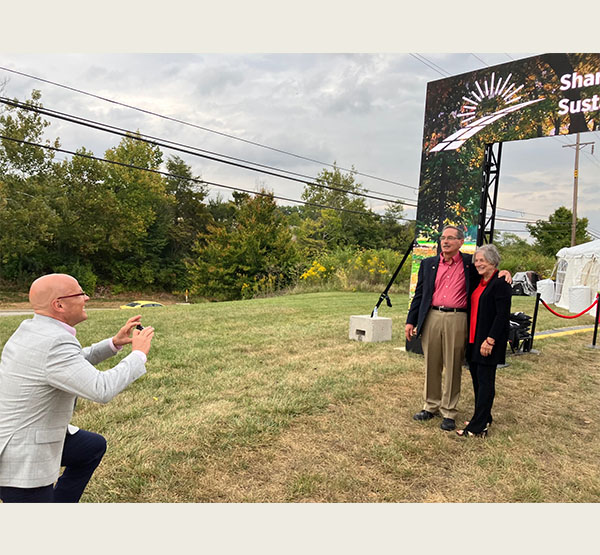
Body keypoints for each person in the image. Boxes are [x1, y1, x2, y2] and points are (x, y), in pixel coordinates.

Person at [0, 273, 155, 503]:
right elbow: (101, 389)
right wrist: (138, 355)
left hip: (19, 436)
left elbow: (71, 363)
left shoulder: (33, 329)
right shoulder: (54, 341)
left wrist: (113, 344)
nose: (87, 297)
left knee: (91, 447)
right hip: (22, 459)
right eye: (80, 293)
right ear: (59, 304)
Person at [405, 226, 510, 432]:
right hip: (432, 316)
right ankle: (430, 406)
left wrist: (505, 272)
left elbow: (489, 270)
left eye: (451, 238)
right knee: (431, 363)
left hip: (458, 318)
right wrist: (411, 321)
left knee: (453, 365)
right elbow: (419, 295)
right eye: (443, 238)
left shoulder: (470, 264)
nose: (445, 241)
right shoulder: (428, 264)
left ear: (461, 242)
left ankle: (449, 411)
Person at [457, 244, 511, 438]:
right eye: (476, 260)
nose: (478, 264)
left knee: (485, 382)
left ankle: (478, 427)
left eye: (482, 260)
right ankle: (483, 417)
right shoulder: (478, 281)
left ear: (493, 261)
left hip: (488, 341)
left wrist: (490, 340)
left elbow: (502, 315)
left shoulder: (501, 282)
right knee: (477, 381)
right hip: (473, 339)